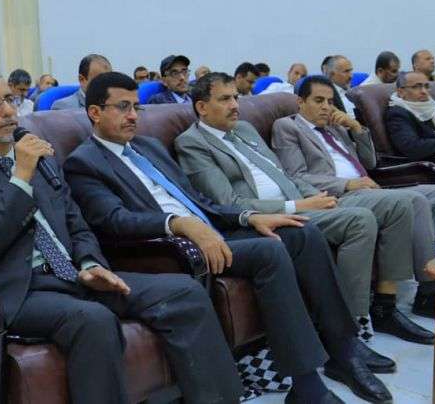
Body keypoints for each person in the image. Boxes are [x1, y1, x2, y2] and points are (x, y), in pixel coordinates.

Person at [64, 71, 392, 404]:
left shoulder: (147, 147)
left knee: (301, 232)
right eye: (123, 107)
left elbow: (200, 200)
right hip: (173, 248)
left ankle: (342, 348)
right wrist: (178, 224)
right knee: (269, 252)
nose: (134, 115)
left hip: (212, 229)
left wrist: (249, 216)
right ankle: (307, 386)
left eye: (137, 107)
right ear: (95, 112)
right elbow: (115, 221)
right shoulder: (83, 163)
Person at [0, 69, 251, 403]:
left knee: (184, 292)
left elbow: (77, 224)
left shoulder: (39, 159)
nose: (9, 111)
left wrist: (89, 263)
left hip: (73, 276)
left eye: (10, 99)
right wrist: (21, 177)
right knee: (94, 320)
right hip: (19, 289)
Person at [175, 72, 414, 342]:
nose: (234, 105)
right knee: (360, 220)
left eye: (236, 98)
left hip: (300, 201)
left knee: (385, 207)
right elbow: (228, 203)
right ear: (202, 107)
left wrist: (320, 197)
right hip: (268, 217)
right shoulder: (192, 142)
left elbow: (284, 175)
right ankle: (353, 322)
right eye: (225, 99)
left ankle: (385, 306)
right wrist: (298, 204)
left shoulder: (244, 129)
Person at [271, 76, 435, 336]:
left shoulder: (335, 127)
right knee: (413, 201)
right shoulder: (287, 127)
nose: (326, 107)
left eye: (330, 101)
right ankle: (424, 292)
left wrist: (357, 129)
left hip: (369, 187)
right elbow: (296, 176)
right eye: (318, 101)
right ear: (300, 102)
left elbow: (370, 163)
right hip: (337, 194)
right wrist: (347, 184)